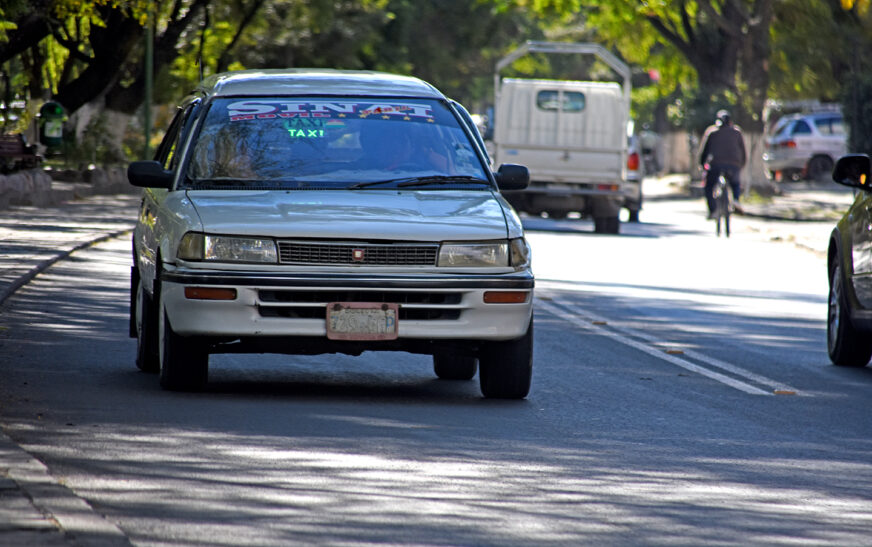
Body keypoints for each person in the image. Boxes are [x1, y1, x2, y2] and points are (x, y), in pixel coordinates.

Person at [699, 109, 746, 218]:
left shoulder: (712, 132)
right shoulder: (737, 132)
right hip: (734, 165)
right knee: (735, 184)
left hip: (715, 165)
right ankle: (736, 200)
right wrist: (741, 165)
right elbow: (743, 151)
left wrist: (702, 165)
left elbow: (705, 152)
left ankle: (713, 211)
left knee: (709, 186)